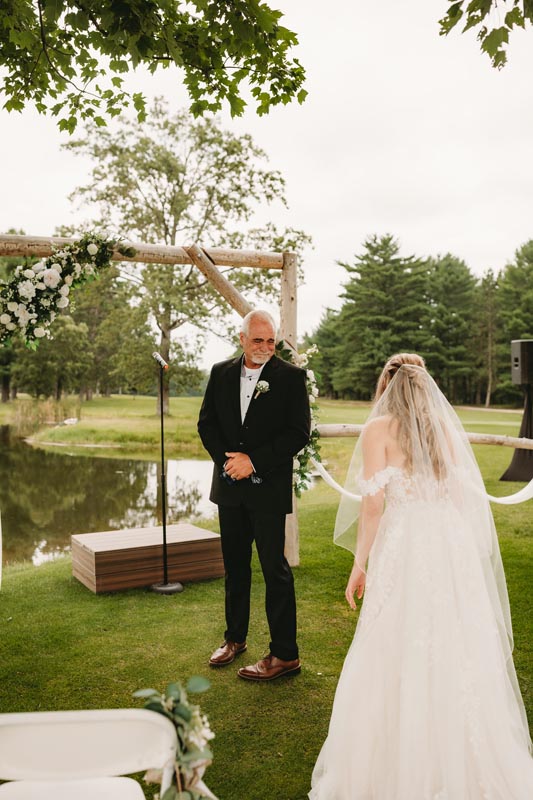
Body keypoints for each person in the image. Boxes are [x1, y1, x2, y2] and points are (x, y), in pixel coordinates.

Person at [310, 353, 533, 799]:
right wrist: (461, 555)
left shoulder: (378, 430)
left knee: (395, 639)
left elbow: (373, 505)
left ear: (386, 385)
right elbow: (455, 497)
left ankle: (399, 760)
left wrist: (360, 563)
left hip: (407, 543)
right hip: (448, 543)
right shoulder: (443, 429)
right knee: (456, 643)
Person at [198, 309, 311, 681]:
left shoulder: (291, 378)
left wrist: (254, 462)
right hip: (229, 489)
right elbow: (207, 423)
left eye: (270, 341)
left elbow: (298, 433)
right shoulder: (220, 372)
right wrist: (229, 463)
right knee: (235, 567)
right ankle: (234, 639)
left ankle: (285, 654)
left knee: (274, 570)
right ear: (242, 338)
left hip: (267, 490)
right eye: (258, 340)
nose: (265, 347)